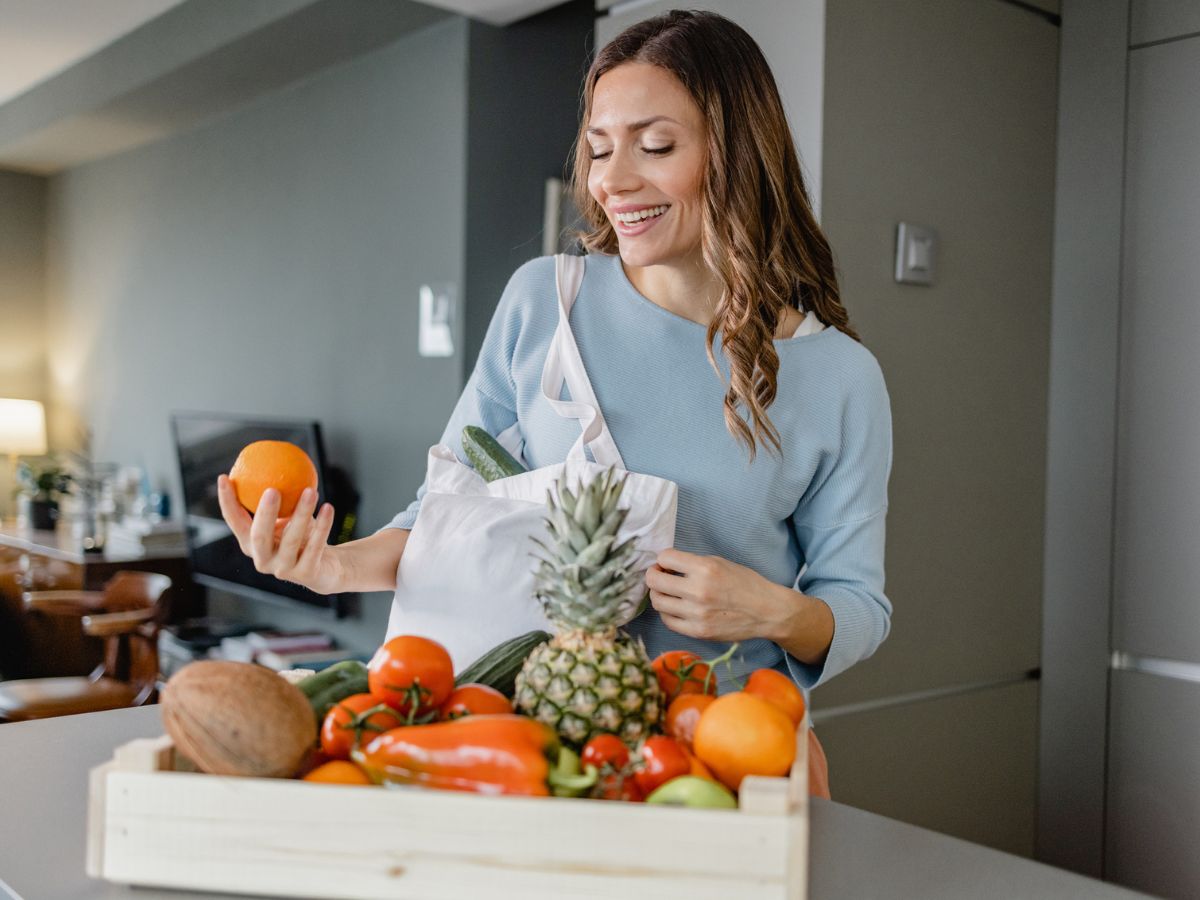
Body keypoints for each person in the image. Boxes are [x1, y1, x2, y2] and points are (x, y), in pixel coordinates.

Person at [216, 10, 890, 779]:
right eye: (600, 149)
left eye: (656, 145)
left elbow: (858, 604)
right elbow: (445, 516)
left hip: (722, 746)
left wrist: (775, 611)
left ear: (738, 152)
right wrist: (328, 566)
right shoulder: (544, 302)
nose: (613, 181)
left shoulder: (839, 378)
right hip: (535, 747)